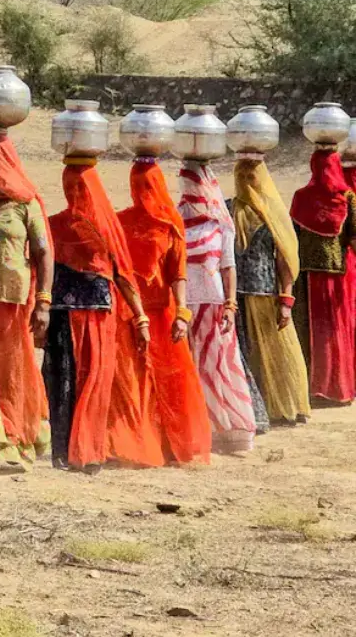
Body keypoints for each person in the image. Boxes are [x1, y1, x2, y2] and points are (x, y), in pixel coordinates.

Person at [43, 155, 149, 473]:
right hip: (71, 316)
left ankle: (84, 451)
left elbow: (123, 275)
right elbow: (41, 267)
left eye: (80, 187)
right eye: (71, 186)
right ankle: (71, 451)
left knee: (86, 380)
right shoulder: (60, 224)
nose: (75, 192)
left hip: (88, 316)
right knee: (69, 380)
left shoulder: (100, 227)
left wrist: (141, 318)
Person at [116, 159, 211, 465]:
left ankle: (171, 442)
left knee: (170, 379)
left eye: (148, 185)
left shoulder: (170, 224)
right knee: (135, 378)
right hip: (128, 312)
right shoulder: (120, 221)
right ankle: (144, 442)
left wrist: (182, 313)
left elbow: (177, 273)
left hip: (161, 313)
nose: (143, 191)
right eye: (138, 185)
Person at [0, 131, 53, 468]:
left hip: (12, 305)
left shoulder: (25, 203)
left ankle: (16, 437)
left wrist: (44, 302)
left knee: (12, 373)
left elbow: (43, 252)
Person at [179, 161, 256, 454]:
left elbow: (228, 266)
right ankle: (194, 428)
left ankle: (226, 428)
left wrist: (230, 305)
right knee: (189, 365)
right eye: (185, 183)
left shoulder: (220, 224)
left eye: (193, 183)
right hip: (183, 305)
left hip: (212, 304)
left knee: (217, 366)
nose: (189, 189)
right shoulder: (176, 218)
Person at [231, 158, 310, 426]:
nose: (246, 182)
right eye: (242, 177)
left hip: (266, 293)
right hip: (235, 294)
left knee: (278, 351)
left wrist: (286, 299)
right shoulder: (228, 209)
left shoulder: (273, 213)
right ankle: (255, 408)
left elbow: (284, 259)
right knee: (245, 352)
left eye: (251, 177)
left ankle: (287, 405)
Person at [290, 149, 356, 405]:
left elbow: (292, 234)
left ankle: (312, 388)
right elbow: (353, 238)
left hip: (305, 273)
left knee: (309, 327)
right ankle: (338, 388)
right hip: (336, 274)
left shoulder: (300, 197)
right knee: (333, 329)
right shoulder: (347, 198)